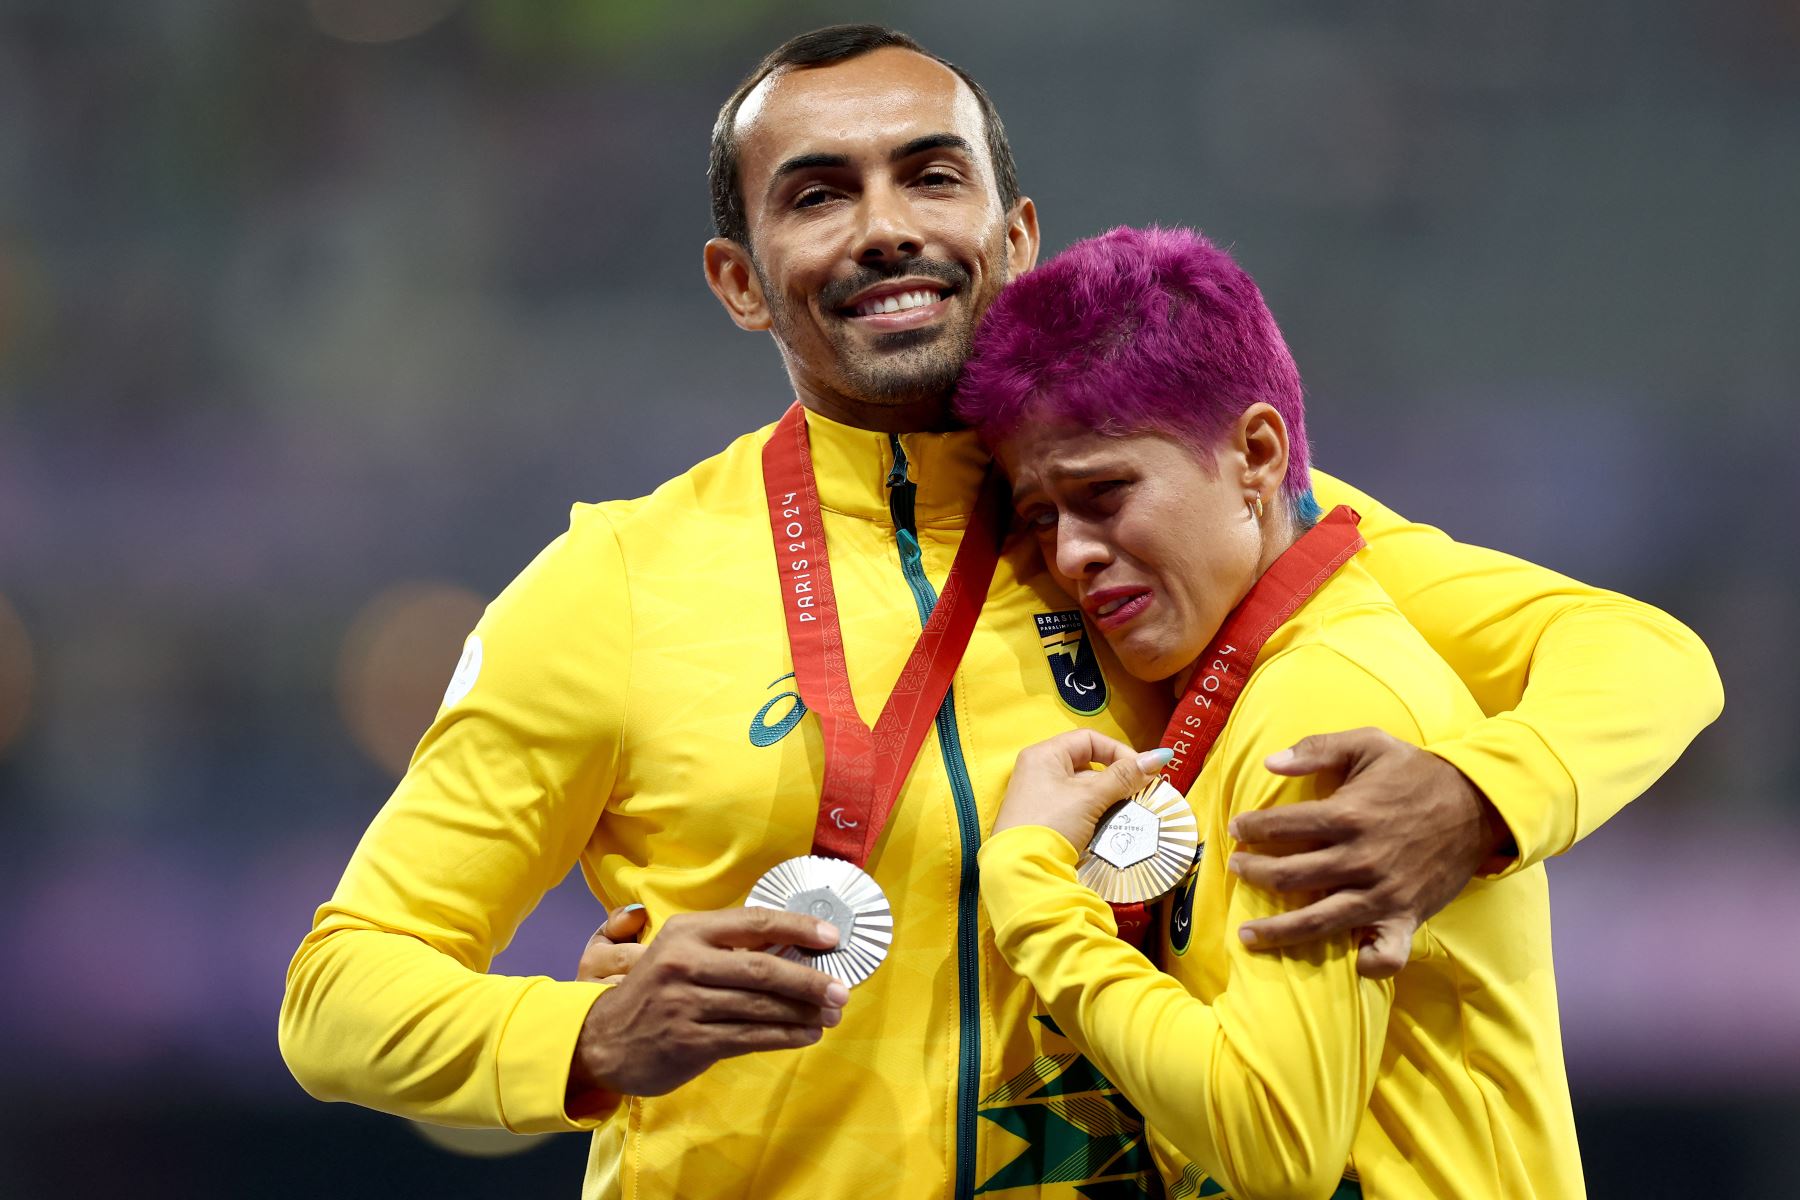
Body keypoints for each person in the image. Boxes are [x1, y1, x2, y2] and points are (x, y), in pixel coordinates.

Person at [278, 25, 1721, 1200]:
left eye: (930, 175)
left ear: (1014, 231)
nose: (888, 228)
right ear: (737, 282)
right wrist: (590, 1031)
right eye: (819, 192)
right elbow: (338, 995)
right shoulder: (615, 588)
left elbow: (1640, 657)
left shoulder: (1158, 524)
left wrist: (1477, 799)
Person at [961, 224, 1582, 1200]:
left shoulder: (1323, 702)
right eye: (1042, 515)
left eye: (1105, 493)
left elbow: (1274, 1144)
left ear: (1256, 454)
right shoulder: (1249, 683)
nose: (1070, 553)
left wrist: (1033, 893)